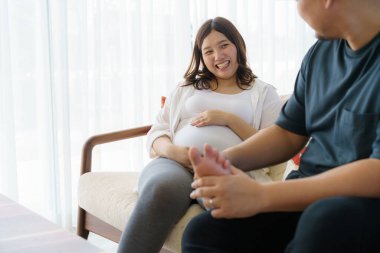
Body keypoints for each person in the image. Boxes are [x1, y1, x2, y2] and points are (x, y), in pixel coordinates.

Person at [182, 0, 380, 252]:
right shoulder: (320, 54)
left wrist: (260, 196)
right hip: (309, 194)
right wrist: (224, 161)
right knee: (204, 233)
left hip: (363, 204)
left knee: (323, 221)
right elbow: (287, 134)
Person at [117, 17, 283, 253]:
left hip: (228, 166)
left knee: (226, 204)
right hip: (175, 164)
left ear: (237, 45)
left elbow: (272, 144)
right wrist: (175, 152)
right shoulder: (187, 88)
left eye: (224, 45)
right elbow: (158, 132)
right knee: (160, 189)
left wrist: (228, 119)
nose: (218, 56)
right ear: (201, 57)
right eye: (208, 51)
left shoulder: (263, 93)